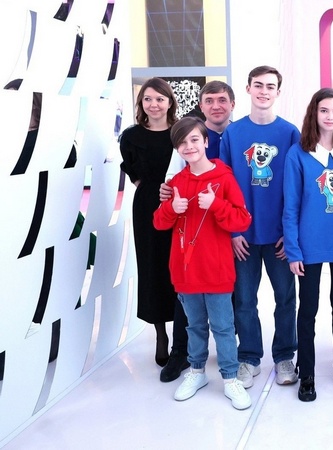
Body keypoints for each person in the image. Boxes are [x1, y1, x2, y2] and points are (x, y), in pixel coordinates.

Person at [153, 117, 253, 410]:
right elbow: (158, 223)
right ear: (177, 148)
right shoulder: (176, 183)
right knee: (194, 326)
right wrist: (172, 208)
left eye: (195, 139)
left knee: (223, 327)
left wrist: (216, 205)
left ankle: (230, 377)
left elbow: (242, 219)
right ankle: (197, 371)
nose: (189, 146)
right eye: (182, 142)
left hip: (217, 269)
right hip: (186, 270)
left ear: (206, 141)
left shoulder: (224, 178)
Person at [219, 66, 301, 389]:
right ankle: (249, 357)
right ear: (248, 89)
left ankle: (284, 357)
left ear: (278, 92)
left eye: (270, 86)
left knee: (285, 299)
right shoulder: (233, 133)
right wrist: (233, 231)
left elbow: (297, 187)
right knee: (243, 300)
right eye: (258, 85)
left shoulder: (290, 133)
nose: (264, 91)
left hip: (279, 236)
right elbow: (224, 186)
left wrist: (289, 234)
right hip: (243, 236)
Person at [283, 88, 333, 402]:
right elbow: (290, 206)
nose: (330, 116)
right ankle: (307, 372)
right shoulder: (297, 153)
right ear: (314, 113)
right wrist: (293, 250)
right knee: (308, 309)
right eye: (324, 110)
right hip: (309, 245)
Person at [119, 77, 190, 383]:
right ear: (141, 103)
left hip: (181, 205)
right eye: (148, 99)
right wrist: (151, 190)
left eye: (160, 99)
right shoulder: (131, 136)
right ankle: (161, 333)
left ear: (170, 102)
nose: (154, 104)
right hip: (148, 207)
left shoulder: (180, 132)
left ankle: (184, 337)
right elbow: (132, 170)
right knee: (153, 269)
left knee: (181, 268)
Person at [198, 81, 235, 159]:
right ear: (201, 107)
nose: (216, 107)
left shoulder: (242, 135)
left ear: (232, 105)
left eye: (222, 100)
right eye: (209, 101)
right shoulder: (190, 138)